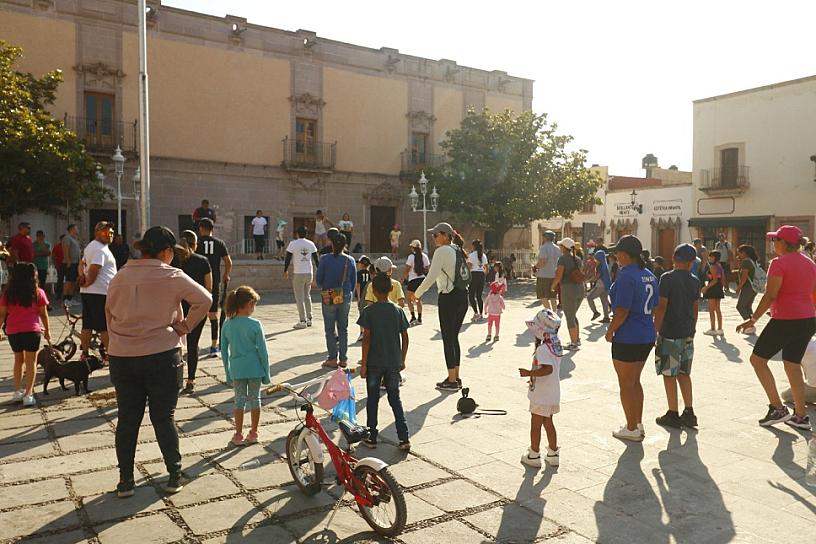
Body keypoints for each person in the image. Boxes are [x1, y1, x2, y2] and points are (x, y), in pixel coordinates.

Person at [105, 226, 212, 497]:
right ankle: (174, 475)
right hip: (161, 354)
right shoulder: (171, 275)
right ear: (165, 252)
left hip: (123, 356)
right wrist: (185, 326)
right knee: (164, 417)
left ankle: (125, 481)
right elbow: (205, 299)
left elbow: (109, 316)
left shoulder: (119, 277)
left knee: (128, 419)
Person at [736, 225, 816, 430]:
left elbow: (771, 294)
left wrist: (753, 319)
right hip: (807, 318)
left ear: (783, 243)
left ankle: (778, 408)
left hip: (785, 319)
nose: (773, 244)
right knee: (792, 363)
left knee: (757, 360)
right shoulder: (810, 263)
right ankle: (801, 415)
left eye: (775, 240)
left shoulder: (778, 263)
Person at [605, 235, 658, 442]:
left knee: (626, 384)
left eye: (617, 252)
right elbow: (655, 306)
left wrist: (610, 331)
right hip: (646, 333)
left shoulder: (626, 275)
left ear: (626, 255)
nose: (615, 256)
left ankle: (631, 427)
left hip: (628, 336)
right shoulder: (648, 274)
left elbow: (622, 310)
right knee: (635, 382)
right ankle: (637, 422)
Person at [412, 223, 469, 391]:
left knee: (447, 339)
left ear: (444, 235)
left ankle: (451, 380)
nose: (433, 238)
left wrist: (417, 294)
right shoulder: (457, 249)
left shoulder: (442, 251)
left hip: (448, 297)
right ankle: (455, 376)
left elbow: (431, 277)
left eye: (435, 235)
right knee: (454, 338)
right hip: (462, 296)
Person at [359, 273, 411, 451]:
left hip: (374, 363)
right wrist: (402, 359)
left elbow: (366, 339)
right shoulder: (398, 311)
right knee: (395, 399)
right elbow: (405, 337)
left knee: (372, 399)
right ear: (391, 289)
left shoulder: (369, 312)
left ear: (372, 290)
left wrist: (363, 364)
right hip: (393, 363)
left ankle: (372, 436)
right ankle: (404, 437)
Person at [652, 244, 700, 429]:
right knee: (684, 373)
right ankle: (689, 412)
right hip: (687, 332)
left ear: (674, 259)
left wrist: (655, 330)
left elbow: (662, 306)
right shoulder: (695, 280)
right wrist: (692, 329)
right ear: (690, 263)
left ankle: (673, 413)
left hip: (670, 332)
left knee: (669, 374)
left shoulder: (667, 278)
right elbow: (695, 308)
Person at [221, 286, 270, 446]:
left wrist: (228, 372)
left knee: (239, 400)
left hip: (237, 368)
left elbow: (224, 351)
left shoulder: (227, 324)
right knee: (255, 399)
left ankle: (238, 434)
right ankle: (254, 432)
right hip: (255, 368)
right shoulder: (255, 325)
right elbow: (263, 352)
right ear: (249, 304)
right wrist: (266, 373)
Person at [0, 262, 50, 407]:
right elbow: (44, 314)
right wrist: (47, 330)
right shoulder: (38, 292)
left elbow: (2, 314)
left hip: (13, 331)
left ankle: (17, 391)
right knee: (31, 362)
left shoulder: (8, 294)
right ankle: (28, 394)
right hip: (32, 331)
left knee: (18, 360)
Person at [519, 309, 562, 468]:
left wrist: (529, 373)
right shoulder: (555, 346)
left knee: (535, 425)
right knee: (548, 422)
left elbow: (547, 369)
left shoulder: (543, 349)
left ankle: (534, 454)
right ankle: (553, 453)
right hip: (552, 392)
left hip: (541, 395)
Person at [175, 231, 212, 395]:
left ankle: (174, 378)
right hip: (197, 308)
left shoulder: (175, 260)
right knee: (193, 343)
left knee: (175, 345)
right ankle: (190, 380)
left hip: (177, 308)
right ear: (195, 244)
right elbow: (209, 287)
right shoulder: (203, 261)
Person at [78, 221, 117, 362]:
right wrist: (88, 281)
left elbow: (82, 263)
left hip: (89, 292)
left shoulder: (91, 247)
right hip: (100, 292)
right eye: (106, 232)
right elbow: (95, 269)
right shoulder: (100, 249)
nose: (110, 235)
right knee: (104, 326)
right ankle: (113, 356)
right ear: (97, 233)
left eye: (111, 232)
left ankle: (85, 353)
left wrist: (83, 278)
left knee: (87, 324)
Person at [316, 234, 356, 368]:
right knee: (343, 328)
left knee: (329, 328)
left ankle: (332, 358)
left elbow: (319, 280)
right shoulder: (350, 260)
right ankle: (343, 358)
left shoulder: (324, 259)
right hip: (345, 295)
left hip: (329, 295)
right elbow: (354, 281)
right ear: (345, 245)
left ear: (331, 244)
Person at [196, 218, 232, 357]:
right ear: (212, 229)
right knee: (213, 315)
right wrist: (225, 275)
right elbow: (228, 262)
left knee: (195, 313)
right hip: (214, 281)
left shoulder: (197, 243)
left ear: (201, 228)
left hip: (198, 281)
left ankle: (194, 344)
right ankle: (213, 346)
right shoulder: (219, 243)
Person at [550, 238, 584, 351]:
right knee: (573, 314)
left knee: (569, 317)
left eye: (561, 246)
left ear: (564, 248)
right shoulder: (578, 259)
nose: (559, 247)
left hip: (568, 289)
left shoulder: (562, 259)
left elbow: (559, 276)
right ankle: (577, 339)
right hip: (580, 288)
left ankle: (573, 344)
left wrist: (552, 287)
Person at [284, 226, 320, 329]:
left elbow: (288, 257)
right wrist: (319, 270)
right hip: (309, 272)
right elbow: (316, 259)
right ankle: (309, 318)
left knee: (299, 297)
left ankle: (302, 320)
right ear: (306, 234)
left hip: (298, 272)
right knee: (307, 295)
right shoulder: (311, 244)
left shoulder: (293, 244)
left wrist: (285, 270)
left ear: (297, 234)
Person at [404, 240, 430, 326]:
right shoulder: (424, 256)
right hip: (421, 279)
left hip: (413, 280)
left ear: (413, 248)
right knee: (418, 299)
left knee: (408, 299)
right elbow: (427, 268)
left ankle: (413, 317)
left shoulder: (411, 257)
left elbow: (407, 269)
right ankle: (419, 318)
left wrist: (403, 278)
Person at [736, 244, 761, 334]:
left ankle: (750, 325)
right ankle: (750, 325)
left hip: (748, 287)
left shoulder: (746, 261)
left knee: (740, 306)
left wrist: (739, 287)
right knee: (747, 307)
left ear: (744, 253)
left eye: (740, 253)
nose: (738, 255)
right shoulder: (753, 261)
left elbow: (744, 276)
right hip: (755, 287)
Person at [534, 230, 561, 311]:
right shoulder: (557, 248)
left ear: (545, 238)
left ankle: (550, 314)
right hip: (554, 275)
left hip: (544, 275)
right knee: (553, 297)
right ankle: (555, 313)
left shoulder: (544, 247)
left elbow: (543, 261)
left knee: (543, 296)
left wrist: (535, 266)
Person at [701, 250, 725, 336]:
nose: (710, 258)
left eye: (711, 257)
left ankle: (713, 328)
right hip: (718, 288)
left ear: (715, 258)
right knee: (717, 309)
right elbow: (722, 279)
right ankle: (720, 328)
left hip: (712, 289)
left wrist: (706, 288)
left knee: (711, 309)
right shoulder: (719, 266)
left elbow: (714, 280)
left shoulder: (712, 267)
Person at [587, 249, 611, 323]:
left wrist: (588, 281)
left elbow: (597, 276)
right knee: (604, 301)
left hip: (600, 285)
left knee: (589, 297)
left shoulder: (599, 265)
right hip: (606, 285)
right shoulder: (605, 264)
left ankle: (595, 312)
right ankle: (606, 317)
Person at [467, 240, 489, 321]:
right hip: (481, 275)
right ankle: (480, 314)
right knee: (479, 296)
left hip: (473, 275)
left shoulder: (471, 255)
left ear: (473, 246)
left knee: (471, 295)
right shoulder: (483, 255)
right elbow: (486, 268)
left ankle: (476, 313)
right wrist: (484, 275)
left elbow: (469, 266)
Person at [354, 256, 373, 342]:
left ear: (361, 264)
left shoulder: (358, 273)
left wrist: (358, 298)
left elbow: (358, 286)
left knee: (362, 314)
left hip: (362, 296)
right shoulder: (370, 273)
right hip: (369, 296)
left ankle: (362, 332)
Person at [62, 224, 81, 306]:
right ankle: (65, 299)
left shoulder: (75, 239)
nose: (78, 230)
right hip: (70, 263)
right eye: (76, 228)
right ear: (72, 229)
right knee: (68, 281)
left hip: (75, 263)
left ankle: (70, 298)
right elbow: (66, 249)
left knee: (73, 281)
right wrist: (68, 261)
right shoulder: (67, 238)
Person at [33, 230, 51, 298]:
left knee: (42, 283)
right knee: (35, 283)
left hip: (43, 266)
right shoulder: (33, 244)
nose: (41, 238)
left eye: (43, 236)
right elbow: (33, 254)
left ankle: (42, 297)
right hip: (35, 266)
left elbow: (48, 253)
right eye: (40, 236)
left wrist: (42, 245)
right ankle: (35, 296)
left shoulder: (47, 244)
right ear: (37, 237)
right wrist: (42, 254)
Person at [52, 235, 65, 304]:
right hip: (60, 265)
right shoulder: (57, 247)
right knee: (60, 279)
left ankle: (68, 295)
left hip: (68, 265)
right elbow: (53, 256)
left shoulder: (69, 246)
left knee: (70, 280)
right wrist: (56, 265)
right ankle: (58, 294)